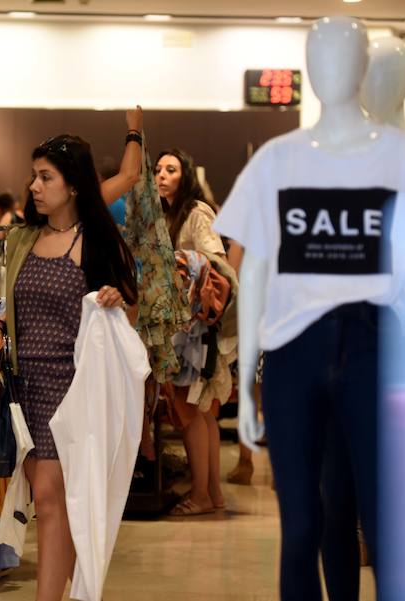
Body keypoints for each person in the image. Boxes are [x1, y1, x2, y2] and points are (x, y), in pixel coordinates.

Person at [0, 134, 138, 601]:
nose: (34, 185)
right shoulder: (23, 239)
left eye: (45, 176)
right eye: (34, 176)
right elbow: (5, 300)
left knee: (51, 501)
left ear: (72, 185)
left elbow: (131, 313)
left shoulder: (96, 242)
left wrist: (116, 300)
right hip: (22, 389)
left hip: (71, 389)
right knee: (52, 502)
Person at [155, 148, 228, 516]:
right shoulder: (166, 215)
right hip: (184, 326)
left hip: (194, 327)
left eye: (171, 169)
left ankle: (201, 493)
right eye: (158, 170)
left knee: (190, 410)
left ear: (185, 175)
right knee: (201, 412)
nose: (162, 176)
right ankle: (211, 491)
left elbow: (216, 261)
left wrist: (179, 262)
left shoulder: (197, 212)